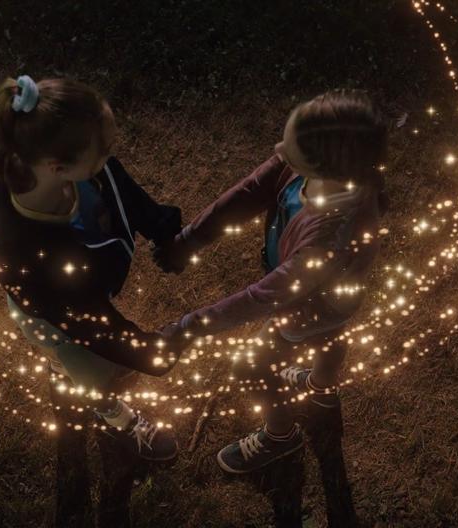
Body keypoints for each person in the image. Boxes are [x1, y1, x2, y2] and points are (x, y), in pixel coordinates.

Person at [156, 89, 389, 473]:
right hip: (334, 297)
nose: (279, 146)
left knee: (252, 367)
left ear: (322, 164)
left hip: (308, 306)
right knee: (333, 335)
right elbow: (252, 190)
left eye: (291, 143)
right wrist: (192, 237)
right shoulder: (318, 172)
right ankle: (322, 387)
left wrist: (187, 327)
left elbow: (265, 297)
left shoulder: (329, 236)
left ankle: (280, 437)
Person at [0, 75, 184, 461]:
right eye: (103, 152)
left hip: (81, 294)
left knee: (84, 364)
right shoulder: (18, 247)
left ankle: (67, 374)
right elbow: (84, 321)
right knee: (92, 373)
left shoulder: (79, 165)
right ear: (58, 167)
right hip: (55, 322)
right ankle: (116, 416)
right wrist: (148, 352)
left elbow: (122, 186)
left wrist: (161, 227)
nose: (111, 155)